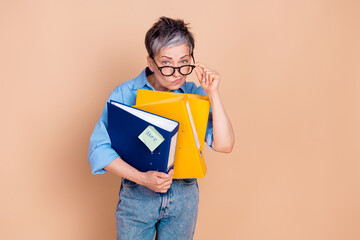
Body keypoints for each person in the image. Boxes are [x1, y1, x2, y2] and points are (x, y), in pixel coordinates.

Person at [88, 16, 234, 240]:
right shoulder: (125, 94)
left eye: (184, 62)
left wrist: (213, 94)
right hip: (138, 195)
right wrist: (142, 178)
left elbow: (224, 144)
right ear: (151, 62)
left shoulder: (194, 93)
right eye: (166, 63)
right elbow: (99, 150)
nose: (177, 73)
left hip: (184, 196)